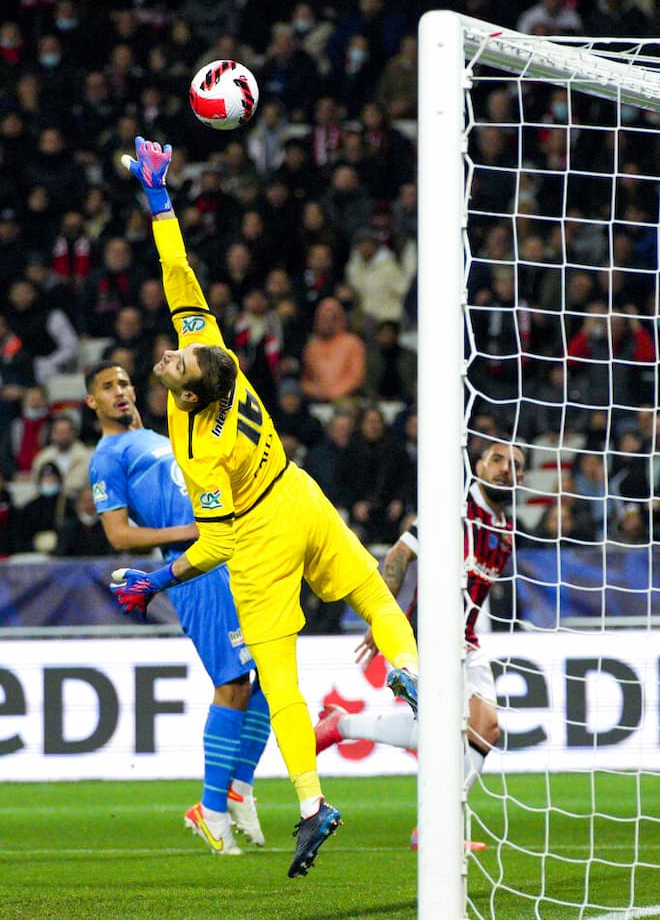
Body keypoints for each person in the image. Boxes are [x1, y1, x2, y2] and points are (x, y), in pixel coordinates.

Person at [114, 136, 418, 879]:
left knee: (278, 678)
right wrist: (159, 200)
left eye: (175, 363)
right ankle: (409, 668)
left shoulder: (201, 451)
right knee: (374, 591)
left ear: (187, 396)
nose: (169, 353)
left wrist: (157, 581)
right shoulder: (220, 363)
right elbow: (180, 278)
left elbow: (215, 544)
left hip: (258, 534)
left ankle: (313, 804)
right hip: (302, 494)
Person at [85, 360, 270, 855]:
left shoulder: (159, 438)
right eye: (107, 388)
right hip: (193, 569)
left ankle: (238, 786)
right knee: (232, 683)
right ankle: (211, 811)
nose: (120, 392)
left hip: (226, 557)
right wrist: (190, 532)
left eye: (124, 382)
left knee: (271, 674)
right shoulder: (108, 456)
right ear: (92, 403)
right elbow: (119, 534)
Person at [314, 441, 525, 848]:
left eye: (515, 464)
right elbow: (399, 555)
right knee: (463, 730)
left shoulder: (506, 531)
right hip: (429, 634)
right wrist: (382, 616)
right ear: (479, 465)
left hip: (467, 639)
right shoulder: (454, 508)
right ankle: (434, 827)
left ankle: (341, 725)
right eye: (497, 460)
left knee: (480, 729)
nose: (505, 469)